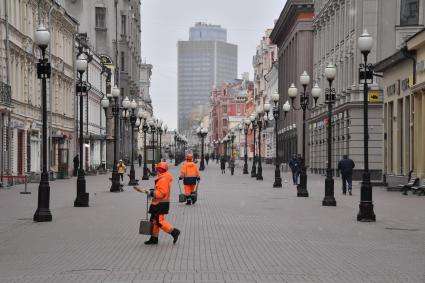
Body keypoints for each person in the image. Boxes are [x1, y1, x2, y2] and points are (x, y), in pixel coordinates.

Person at [135, 162, 181, 245]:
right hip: (158, 203)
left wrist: (151, 193)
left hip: (161, 204)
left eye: (157, 169)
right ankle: (154, 238)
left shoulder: (163, 179)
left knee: (159, 221)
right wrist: (152, 191)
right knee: (154, 221)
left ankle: (174, 232)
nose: (156, 171)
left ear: (160, 170)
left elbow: (162, 193)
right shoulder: (162, 178)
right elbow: (159, 190)